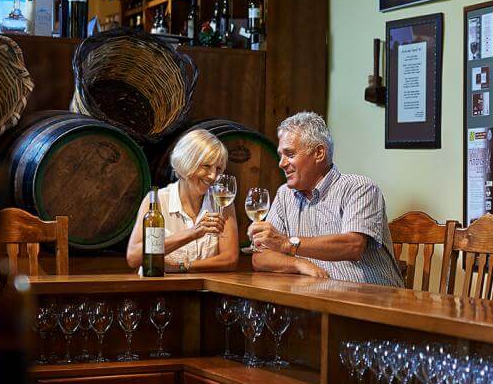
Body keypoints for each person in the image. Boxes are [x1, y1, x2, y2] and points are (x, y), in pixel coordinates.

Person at [248, 111, 404, 287]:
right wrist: (298, 263)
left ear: (319, 153)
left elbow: (353, 246)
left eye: (290, 154)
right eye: (281, 155)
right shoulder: (284, 194)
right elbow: (261, 257)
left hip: (371, 302)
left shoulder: (360, 187)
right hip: (316, 301)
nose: (281, 163)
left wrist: (286, 243)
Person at [125, 129, 238, 274]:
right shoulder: (157, 201)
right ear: (186, 163)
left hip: (205, 292)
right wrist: (192, 233)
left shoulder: (222, 202)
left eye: (218, 168)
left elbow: (230, 260)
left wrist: (183, 266)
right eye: (206, 166)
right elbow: (134, 257)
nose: (213, 176)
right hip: (160, 291)